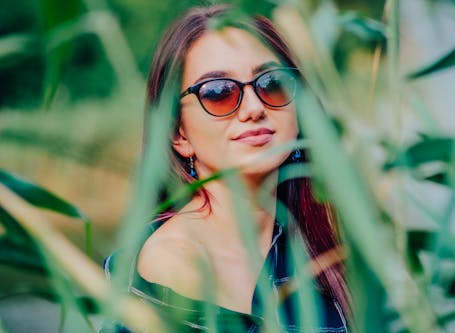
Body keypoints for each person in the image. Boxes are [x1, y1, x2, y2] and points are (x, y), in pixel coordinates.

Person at [102, 4, 350, 333]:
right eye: (218, 92)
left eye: (272, 82)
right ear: (179, 133)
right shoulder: (176, 262)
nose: (253, 108)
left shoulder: (322, 245)